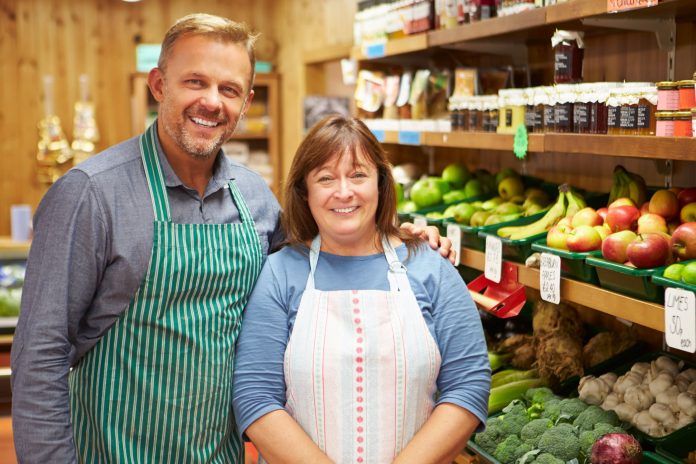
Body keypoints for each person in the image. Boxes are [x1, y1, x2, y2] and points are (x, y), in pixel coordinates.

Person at [11, 14, 450, 463]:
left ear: (246, 102)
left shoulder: (255, 197)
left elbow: (325, 259)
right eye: (195, 82)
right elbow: (40, 356)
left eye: (229, 89)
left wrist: (400, 242)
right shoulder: (90, 194)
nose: (211, 101)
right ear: (159, 84)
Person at [232, 115, 491, 464]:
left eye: (358, 175)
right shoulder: (280, 274)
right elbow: (255, 396)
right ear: (304, 192)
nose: (344, 191)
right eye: (326, 178)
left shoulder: (431, 267)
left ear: (381, 184)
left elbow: (468, 385)